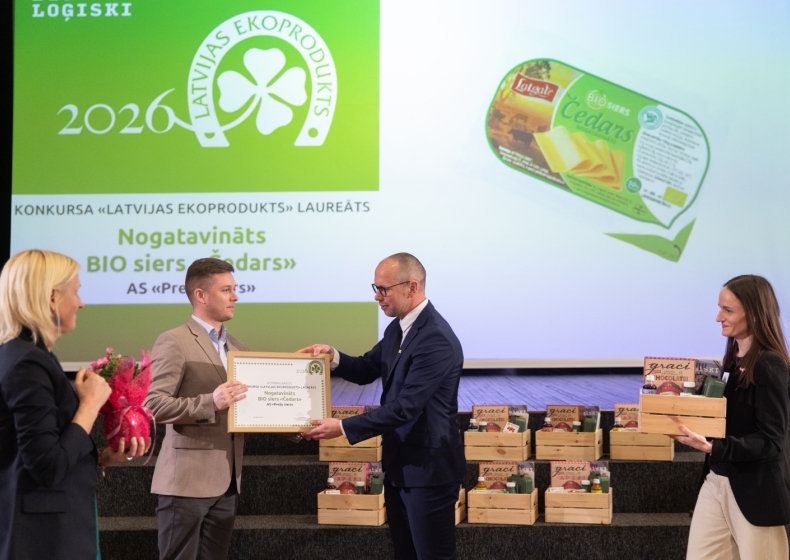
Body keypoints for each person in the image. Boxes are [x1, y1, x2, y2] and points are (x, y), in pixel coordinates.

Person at [299, 253, 465, 560]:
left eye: (384, 289)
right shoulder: (398, 328)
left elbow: (405, 408)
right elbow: (366, 368)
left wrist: (343, 427)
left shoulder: (436, 339)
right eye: (375, 287)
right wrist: (333, 356)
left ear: (412, 287)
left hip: (428, 472)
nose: (377, 296)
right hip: (400, 467)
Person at [0, 249, 149, 560]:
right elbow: (47, 467)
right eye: (77, 292)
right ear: (52, 297)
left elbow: (37, 451)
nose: (81, 303)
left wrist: (102, 458)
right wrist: (90, 404)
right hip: (43, 539)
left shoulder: (33, 356)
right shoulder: (28, 363)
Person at [676, 275, 790, 559]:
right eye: (720, 308)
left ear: (754, 313)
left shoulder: (770, 365)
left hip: (756, 491)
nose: (718, 318)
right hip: (716, 480)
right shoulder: (730, 362)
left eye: (728, 310)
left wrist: (713, 447)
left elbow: (771, 442)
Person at [144, 258, 249, 560]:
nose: (235, 296)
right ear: (200, 295)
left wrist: (297, 425)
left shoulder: (239, 349)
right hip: (186, 483)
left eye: (235, 289)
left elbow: (251, 408)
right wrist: (210, 402)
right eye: (226, 290)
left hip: (228, 483)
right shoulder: (174, 341)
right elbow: (153, 405)